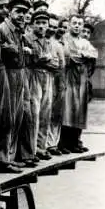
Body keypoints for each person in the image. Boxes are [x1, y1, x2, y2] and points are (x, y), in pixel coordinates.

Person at [0, 0, 35, 172]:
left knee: (18, 116)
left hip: (20, 75)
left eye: (25, 12)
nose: (21, 15)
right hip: (6, 75)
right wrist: (7, 48)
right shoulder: (1, 29)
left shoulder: (20, 32)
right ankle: (2, 159)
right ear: (9, 11)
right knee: (6, 117)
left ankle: (10, 157)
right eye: (18, 11)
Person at [60, 14, 98, 153]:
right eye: (74, 23)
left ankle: (75, 142)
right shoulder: (64, 39)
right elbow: (71, 56)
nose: (77, 26)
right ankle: (63, 143)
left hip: (81, 80)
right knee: (67, 110)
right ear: (69, 24)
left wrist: (85, 54)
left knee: (79, 111)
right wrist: (84, 55)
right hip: (69, 77)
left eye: (79, 24)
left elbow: (94, 53)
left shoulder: (85, 41)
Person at [26, 10, 60, 161]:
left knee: (46, 113)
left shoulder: (49, 42)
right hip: (34, 77)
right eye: (38, 23)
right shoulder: (27, 39)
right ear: (32, 24)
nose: (41, 26)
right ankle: (31, 149)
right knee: (34, 113)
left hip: (48, 78)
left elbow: (56, 63)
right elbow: (29, 61)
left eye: (44, 23)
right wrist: (41, 58)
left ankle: (41, 147)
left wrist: (42, 59)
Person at [45, 13, 66, 156]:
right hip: (43, 78)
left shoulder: (58, 45)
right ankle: (44, 144)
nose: (51, 29)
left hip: (56, 79)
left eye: (54, 27)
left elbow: (61, 64)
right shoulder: (41, 41)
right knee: (44, 113)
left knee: (55, 113)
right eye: (49, 26)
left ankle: (52, 143)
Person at [81, 22, 97, 102]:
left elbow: (92, 67)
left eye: (88, 32)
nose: (85, 34)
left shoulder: (91, 48)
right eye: (83, 31)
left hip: (84, 79)